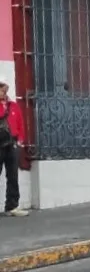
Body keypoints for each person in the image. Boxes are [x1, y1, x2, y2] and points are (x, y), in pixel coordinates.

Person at [0, 75, 27, 216]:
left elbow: (20, 124)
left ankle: (12, 206)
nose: (2, 92)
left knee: (13, 176)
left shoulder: (14, 106)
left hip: (12, 144)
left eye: (3, 89)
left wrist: (21, 140)